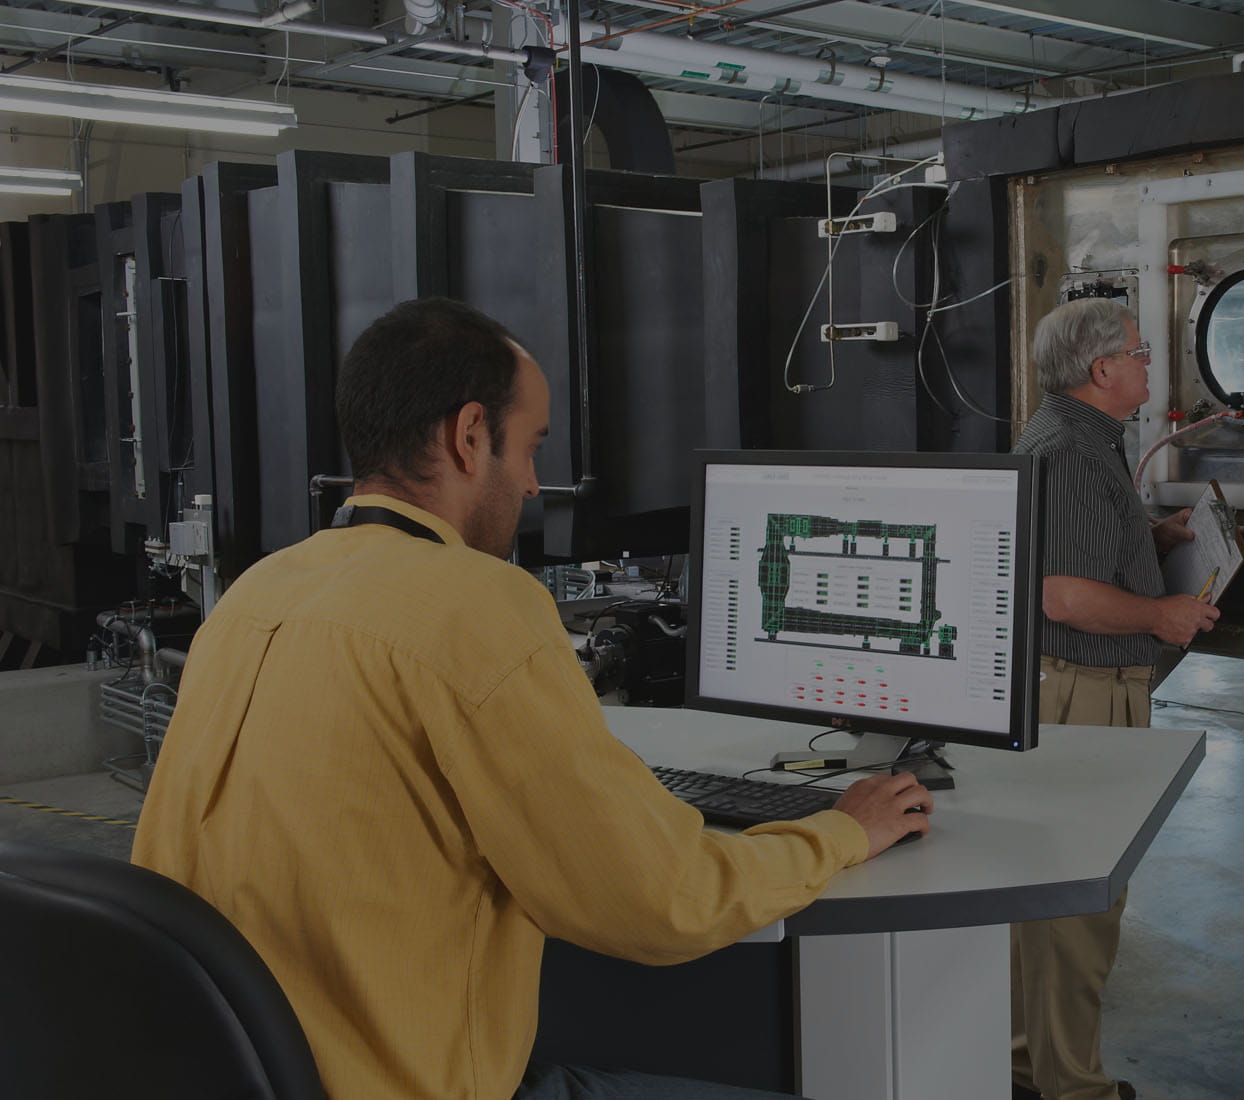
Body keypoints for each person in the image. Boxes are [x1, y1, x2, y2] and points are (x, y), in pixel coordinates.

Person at [132, 298, 933, 1100]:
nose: (530, 483)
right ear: (468, 434)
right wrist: (837, 832)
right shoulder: (473, 602)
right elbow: (660, 900)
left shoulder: (255, 594)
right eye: (531, 447)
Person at [1008, 297, 1220, 1100]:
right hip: (1082, 694)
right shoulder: (1070, 452)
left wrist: (1146, 540)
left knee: (1046, 891)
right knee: (1078, 908)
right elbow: (1063, 596)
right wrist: (1162, 614)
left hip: (1074, 689)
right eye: (1138, 352)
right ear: (1101, 370)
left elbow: (1073, 554)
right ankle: (1071, 1089)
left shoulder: (1075, 436)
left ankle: (1026, 1064)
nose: (1148, 364)